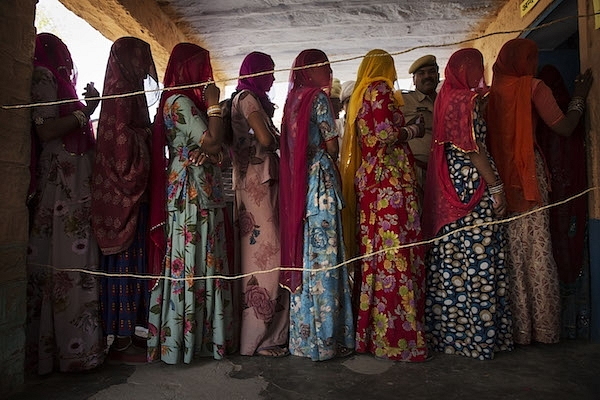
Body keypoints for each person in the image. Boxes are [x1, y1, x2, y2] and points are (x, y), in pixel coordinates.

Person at [486, 38, 593, 345]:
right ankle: (544, 330)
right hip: (528, 175)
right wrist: (579, 97)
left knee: (513, 256)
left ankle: (518, 331)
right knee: (538, 251)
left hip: (501, 181)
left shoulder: (491, 94)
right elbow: (564, 127)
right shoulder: (533, 86)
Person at [422, 48, 513, 360]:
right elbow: (473, 149)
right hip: (472, 185)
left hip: (452, 186)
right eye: (477, 68)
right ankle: (479, 336)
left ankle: (451, 335)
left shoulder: (445, 98)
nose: (480, 74)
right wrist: (496, 186)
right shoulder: (465, 101)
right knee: (479, 258)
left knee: (453, 259)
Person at [147, 43, 234, 363]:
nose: (206, 75)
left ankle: (201, 339)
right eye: (202, 68)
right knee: (193, 262)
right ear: (188, 69)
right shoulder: (179, 101)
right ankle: (183, 343)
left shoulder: (187, 102)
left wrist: (212, 148)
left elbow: (219, 152)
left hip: (200, 191)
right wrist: (214, 105)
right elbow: (212, 141)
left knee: (204, 262)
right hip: (190, 195)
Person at [26, 32, 105, 374]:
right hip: (62, 185)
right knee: (65, 264)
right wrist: (84, 113)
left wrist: (87, 109)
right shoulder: (43, 76)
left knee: (77, 263)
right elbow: (44, 128)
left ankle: (78, 349)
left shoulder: (60, 83)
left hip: (74, 185)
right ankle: (67, 352)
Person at [344, 49, 427, 362]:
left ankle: (374, 336)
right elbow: (384, 135)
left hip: (375, 184)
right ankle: (398, 338)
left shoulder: (363, 94)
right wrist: (414, 130)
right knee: (395, 257)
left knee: (379, 258)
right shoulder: (379, 90)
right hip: (388, 184)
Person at [280, 48, 354, 361]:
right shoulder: (318, 98)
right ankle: (327, 338)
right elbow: (332, 144)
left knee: (306, 258)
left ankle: (303, 338)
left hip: (301, 184)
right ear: (312, 69)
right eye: (324, 65)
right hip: (320, 183)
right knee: (326, 259)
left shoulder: (292, 100)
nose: (329, 70)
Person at [90, 37, 158, 361]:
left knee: (134, 263)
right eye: (140, 58)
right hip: (123, 195)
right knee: (124, 264)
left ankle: (130, 330)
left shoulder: (132, 92)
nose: (145, 65)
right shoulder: (121, 94)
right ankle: (120, 334)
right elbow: (122, 151)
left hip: (132, 198)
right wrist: (149, 135)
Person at [229, 51, 290, 357]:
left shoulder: (241, 98)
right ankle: (262, 339)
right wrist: (286, 138)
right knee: (268, 257)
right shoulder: (248, 98)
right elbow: (265, 140)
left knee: (256, 260)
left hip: (250, 183)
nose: (273, 78)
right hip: (259, 184)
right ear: (255, 73)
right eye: (268, 71)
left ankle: (255, 338)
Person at [535, 65, 589, 339]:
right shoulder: (557, 111)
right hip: (560, 190)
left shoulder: (536, 112)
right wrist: (580, 97)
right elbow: (568, 128)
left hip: (546, 192)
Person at [400, 54, 439, 196]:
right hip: (415, 171)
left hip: (444, 171)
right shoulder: (403, 101)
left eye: (431, 72)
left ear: (438, 75)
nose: (427, 76)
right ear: (414, 80)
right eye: (421, 73)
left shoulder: (445, 100)